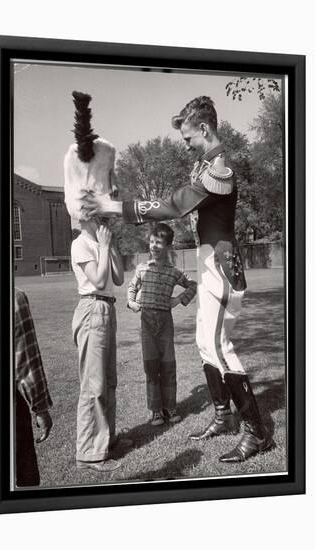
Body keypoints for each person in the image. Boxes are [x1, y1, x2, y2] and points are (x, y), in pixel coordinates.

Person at [91, 96, 273, 462]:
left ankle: (258, 433)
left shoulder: (219, 167)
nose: (186, 143)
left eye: (189, 137)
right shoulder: (206, 164)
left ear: (204, 129)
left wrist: (116, 207)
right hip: (209, 266)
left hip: (220, 267)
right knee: (205, 344)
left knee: (219, 346)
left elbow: (174, 206)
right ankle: (223, 416)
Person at [64, 91, 130, 473]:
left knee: (110, 380)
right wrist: (104, 248)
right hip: (91, 311)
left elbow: (118, 279)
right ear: (87, 212)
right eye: (99, 213)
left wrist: (112, 245)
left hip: (107, 309)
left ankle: (108, 438)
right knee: (94, 384)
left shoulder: (100, 238)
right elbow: (100, 277)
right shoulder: (79, 244)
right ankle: (89, 452)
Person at [128, 223, 197, 427]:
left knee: (168, 365)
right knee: (151, 366)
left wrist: (178, 300)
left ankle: (170, 407)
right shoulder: (142, 268)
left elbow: (193, 285)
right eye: (151, 242)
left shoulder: (174, 272)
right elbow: (131, 289)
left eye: (159, 242)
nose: (154, 246)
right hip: (147, 323)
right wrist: (131, 302)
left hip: (165, 322)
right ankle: (156, 410)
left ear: (167, 246)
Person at [15, 288, 53, 486]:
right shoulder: (14, 298)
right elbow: (26, 362)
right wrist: (41, 408)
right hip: (9, 406)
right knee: (23, 476)